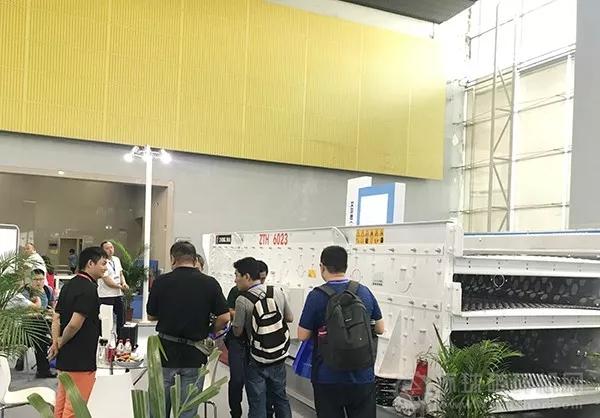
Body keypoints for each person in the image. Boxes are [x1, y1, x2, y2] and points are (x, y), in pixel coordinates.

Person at [297, 246, 385, 418]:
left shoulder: (316, 296)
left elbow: (302, 335)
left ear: (322, 267)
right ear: (346, 266)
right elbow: (380, 328)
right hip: (362, 375)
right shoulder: (364, 292)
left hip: (327, 376)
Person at [147, 241, 229, 418]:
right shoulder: (209, 283)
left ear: (173, 259)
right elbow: (224, 317)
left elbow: (151, 315)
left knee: (158, 409)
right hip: (195, 354)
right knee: (187, 409)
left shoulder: (161, 281)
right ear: (194, 259)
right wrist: (209, 330)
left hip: (165, 352)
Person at [50, 246, 107, 418]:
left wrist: (55, 342)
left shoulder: (68, 285)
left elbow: (56, 317)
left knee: (61, 406)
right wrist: (61, 341)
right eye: (103, 263)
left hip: (65, 359)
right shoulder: (88, 288)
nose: (105, 268)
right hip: (81, 360)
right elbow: (75, 324)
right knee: (75, 409)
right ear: (90, 263)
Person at [232, 257, 293, 418]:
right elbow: (290, 318)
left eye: (237, 275)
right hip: (278, 355)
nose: (235, 279)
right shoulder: (277, 292)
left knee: (257, 401)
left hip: (256, 357)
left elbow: (237, 332)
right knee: (281, 397)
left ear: (247, 276)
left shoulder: (242, 300)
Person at [226, 259, 272, 418]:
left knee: (260, 383)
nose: (261, 282)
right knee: (237, 379)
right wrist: (244, 314)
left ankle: (263, 412)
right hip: (238, 342)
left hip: (260, 343)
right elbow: (230, 312)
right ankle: (235, 412)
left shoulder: (269, 293)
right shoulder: (237, 292)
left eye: (264, 279)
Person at [19, 269, 56, 378]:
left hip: (46, 321)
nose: (39, 282)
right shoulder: (26, 292)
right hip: (29, 324)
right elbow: (22, 311)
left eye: (41, 279)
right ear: (31, 280)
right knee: (41, 338)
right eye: (36, 279)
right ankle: (43, 370)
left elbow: (51, 306)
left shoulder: (48, 290)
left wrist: (51, 311)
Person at [98, 241, 129, 333]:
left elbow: (120, 273)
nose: (110, 250)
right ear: (102, 250)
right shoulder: (101, 261)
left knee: (121, 317)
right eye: (107, 248)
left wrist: (124, 283)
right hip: (106, 295)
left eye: (111, 247)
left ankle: (120, 337)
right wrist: (120, 287)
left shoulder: (116, 259)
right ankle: (105, 338)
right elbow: (107, 280)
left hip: (118, 293)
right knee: (106, 319)